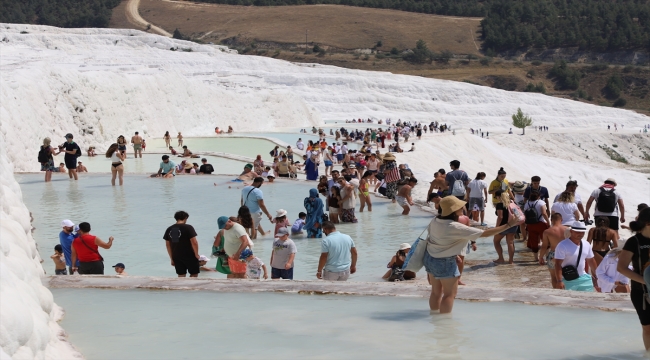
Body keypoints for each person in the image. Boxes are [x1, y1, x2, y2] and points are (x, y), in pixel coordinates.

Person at [425, 197, 519, 313]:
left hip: (431, 258)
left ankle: (433, 317)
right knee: (449, 294)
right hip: (445, 262)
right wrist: (509, 225)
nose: (462, 207)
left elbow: (432, 240)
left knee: (435, 292)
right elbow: (485, 233)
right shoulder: (455, 226)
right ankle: (443, 326)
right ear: (454, 210)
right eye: (459, 206)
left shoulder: (435, 221)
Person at [617, 208, 650, 350]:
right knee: (648, 328)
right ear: (648, 223)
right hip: (641, 292)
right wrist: (646, 282)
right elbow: (622, 267)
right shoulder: (634, 242)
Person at [554, 221, 598, 291]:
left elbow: (591, 261)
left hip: (584, 278)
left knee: (588, 300)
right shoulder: (562, 245)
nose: (580, 234)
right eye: (578, 232)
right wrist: (559, 281)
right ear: (571, 231)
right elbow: (558, 264)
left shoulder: (586, 244)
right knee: (569, 301)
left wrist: (597, 277)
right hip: (568, 279)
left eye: (582, 232)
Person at [163, 211, 200, 278]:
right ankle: (190, 287)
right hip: (189, 255)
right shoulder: (188, 227)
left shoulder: (171, 229)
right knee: (194, 274)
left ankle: (182, 288)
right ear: (185, 218)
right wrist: (196, 254)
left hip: (176, 255)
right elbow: (194, 242)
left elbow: (169, 245)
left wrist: (171, 258)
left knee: (181, 275)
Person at [539, 213, 567, 288]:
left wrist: (541, 257)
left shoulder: (547, 231)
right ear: (561, 220)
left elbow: (544, 246)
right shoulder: (568, 230)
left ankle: (556, 294)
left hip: (554, 255)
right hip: (566, 254)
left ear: (551, 220)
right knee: (567, 275)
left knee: (554, 276)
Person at [523, 191, 550, 261]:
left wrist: (526, 224)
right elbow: (544, 213)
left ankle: (536, 258)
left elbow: (525, 215)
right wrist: (548, 221)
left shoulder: (527, 203)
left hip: (531, 225)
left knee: (533, 241)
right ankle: (547, 257)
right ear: (539, 196)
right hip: (541, 223)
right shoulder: (541, 202)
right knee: (545, 240)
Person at [493, 190, 518, 264]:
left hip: (503, 226)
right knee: (510, 243)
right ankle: (511, 261)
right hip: (513, 225)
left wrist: (496, 228)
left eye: (497, 197)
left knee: (496, 241)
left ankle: (501, 258)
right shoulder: (512, 203)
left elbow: (500, 217)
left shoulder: (500, 204)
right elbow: (517, 214)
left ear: (499, 196)